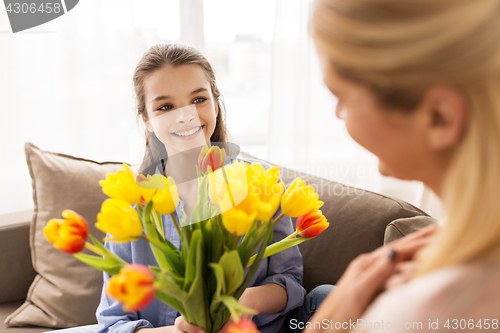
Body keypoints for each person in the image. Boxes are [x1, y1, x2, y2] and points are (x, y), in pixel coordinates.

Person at [302, 0, 500, 331]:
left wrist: (324, 326)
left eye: (343, 98)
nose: (338, 114)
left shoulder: (417, 312)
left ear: (439, 118)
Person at [95, 43, 310, 333]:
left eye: (198, 99)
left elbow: (290, 282)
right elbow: (113, 323)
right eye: (166, 107)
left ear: (215, 105)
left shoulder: (260, 183)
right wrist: (182, 330)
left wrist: (237, 305)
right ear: (146, 120)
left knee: (327, 297)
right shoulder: (131, 204)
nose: (186, 116)